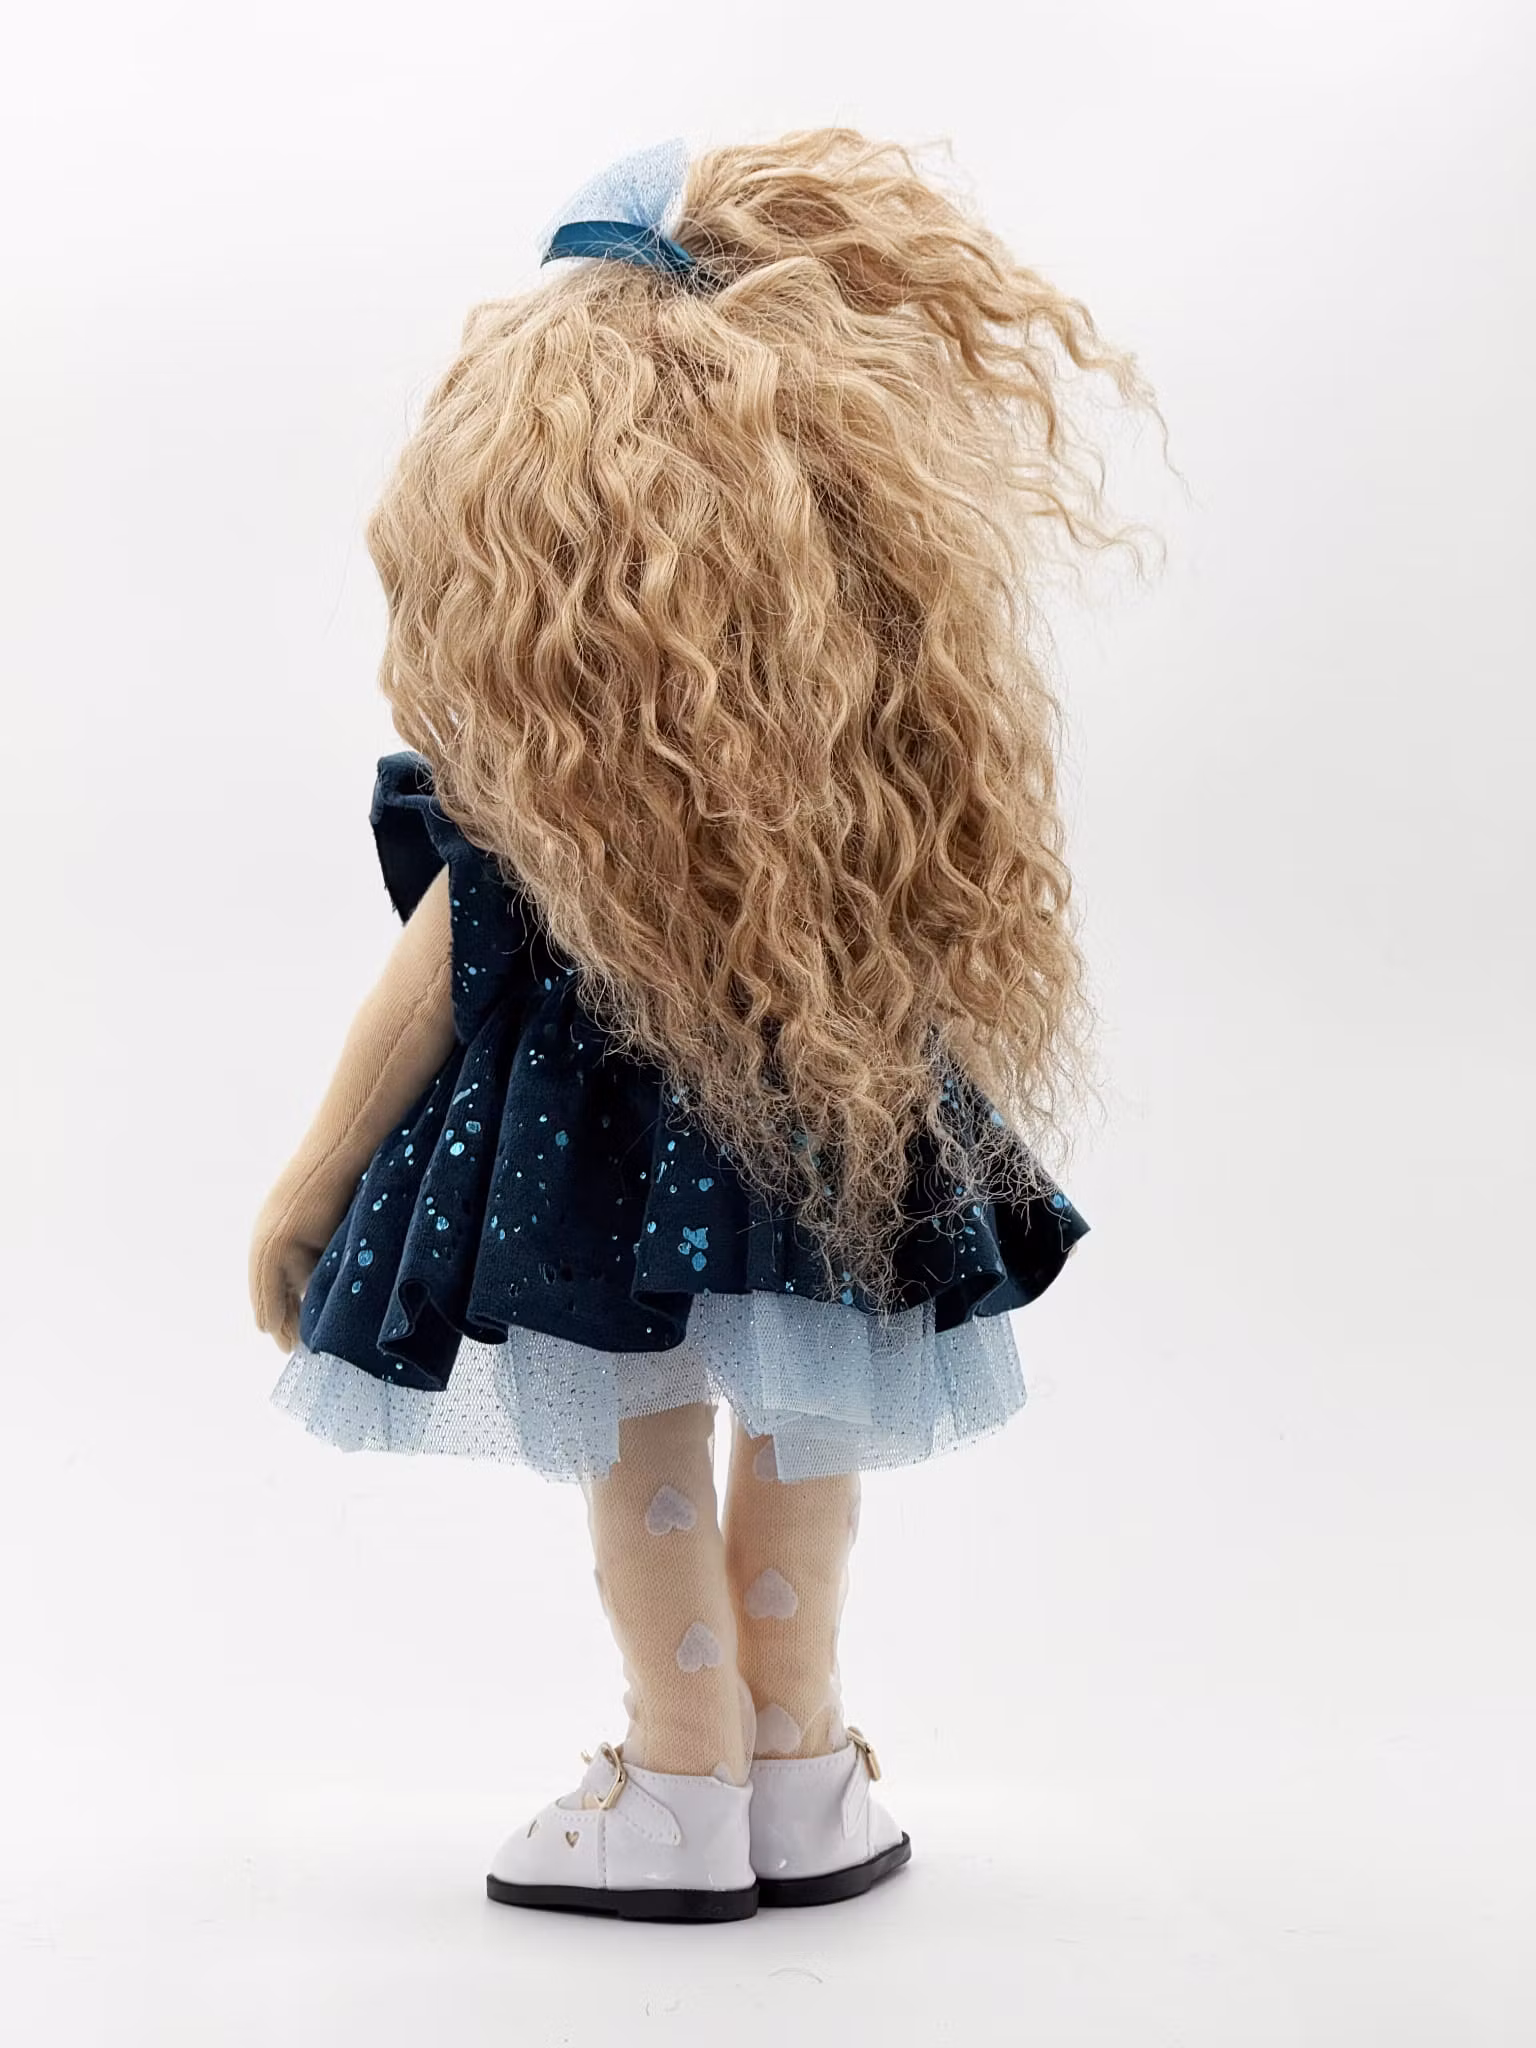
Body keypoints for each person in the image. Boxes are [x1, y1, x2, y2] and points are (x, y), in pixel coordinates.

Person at [250, 128, 1149, 1922]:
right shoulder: (870, 827)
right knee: (813, 1408)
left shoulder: (537, 826)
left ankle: (683, 1774)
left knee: (641, 1426)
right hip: (826, 1139)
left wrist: (305, 1187)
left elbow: (418, 999)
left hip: (581, 1176)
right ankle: (798, 1762)